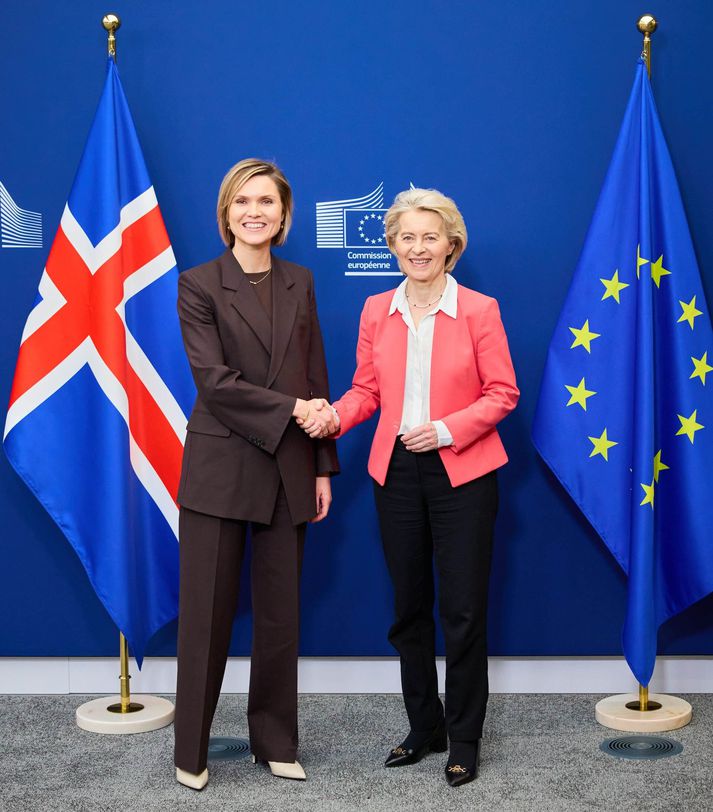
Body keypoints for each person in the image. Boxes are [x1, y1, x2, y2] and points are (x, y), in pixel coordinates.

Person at [302, 188, 518, 787]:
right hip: (394, 473)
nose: (418, 248)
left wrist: (446, 430)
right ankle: (425, 725)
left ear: (451, 245)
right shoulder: (377, 309)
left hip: (463, 471)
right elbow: (366, 391)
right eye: (407, 237)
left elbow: (503, 393)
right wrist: (334, 417)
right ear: (392, 246)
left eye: (430, 237)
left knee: (464, 610)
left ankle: (464, 736)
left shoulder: (479, 309)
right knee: (408, 609)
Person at [173, 158, 339, 790]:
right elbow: (215, 383)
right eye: (243, 201)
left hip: (290, 467)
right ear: (226, 213)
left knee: (279, 618)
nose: (255, 212)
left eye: (266, 201)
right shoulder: (198, 283)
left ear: (284, 213)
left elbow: (316, 376)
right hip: (221, 468)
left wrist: (322, 466)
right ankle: (190, 751)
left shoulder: (301, 280)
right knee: (205, 618)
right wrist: (294, 410)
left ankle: (275, 742)